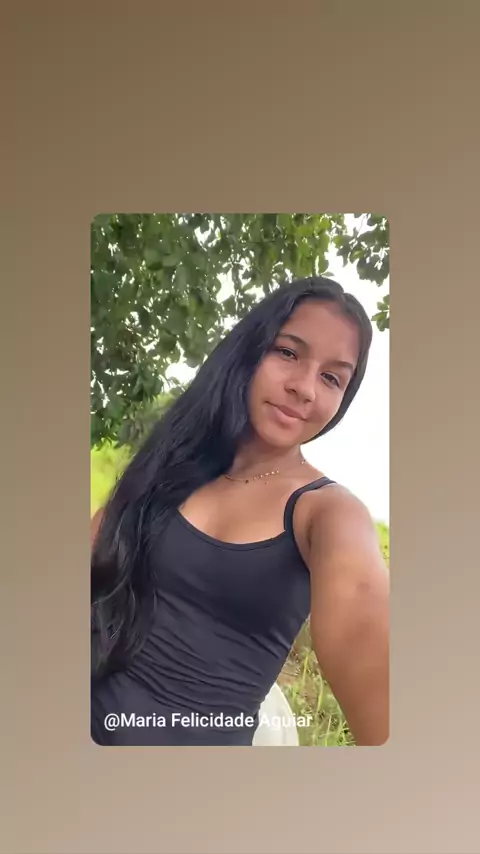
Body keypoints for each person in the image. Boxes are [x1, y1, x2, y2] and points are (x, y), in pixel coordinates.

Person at [91, 275, 389, 746]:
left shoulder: (327, 512)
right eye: (287, 352)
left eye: (332, 377)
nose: (305, 388)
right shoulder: (174, 462)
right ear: (248, 352)